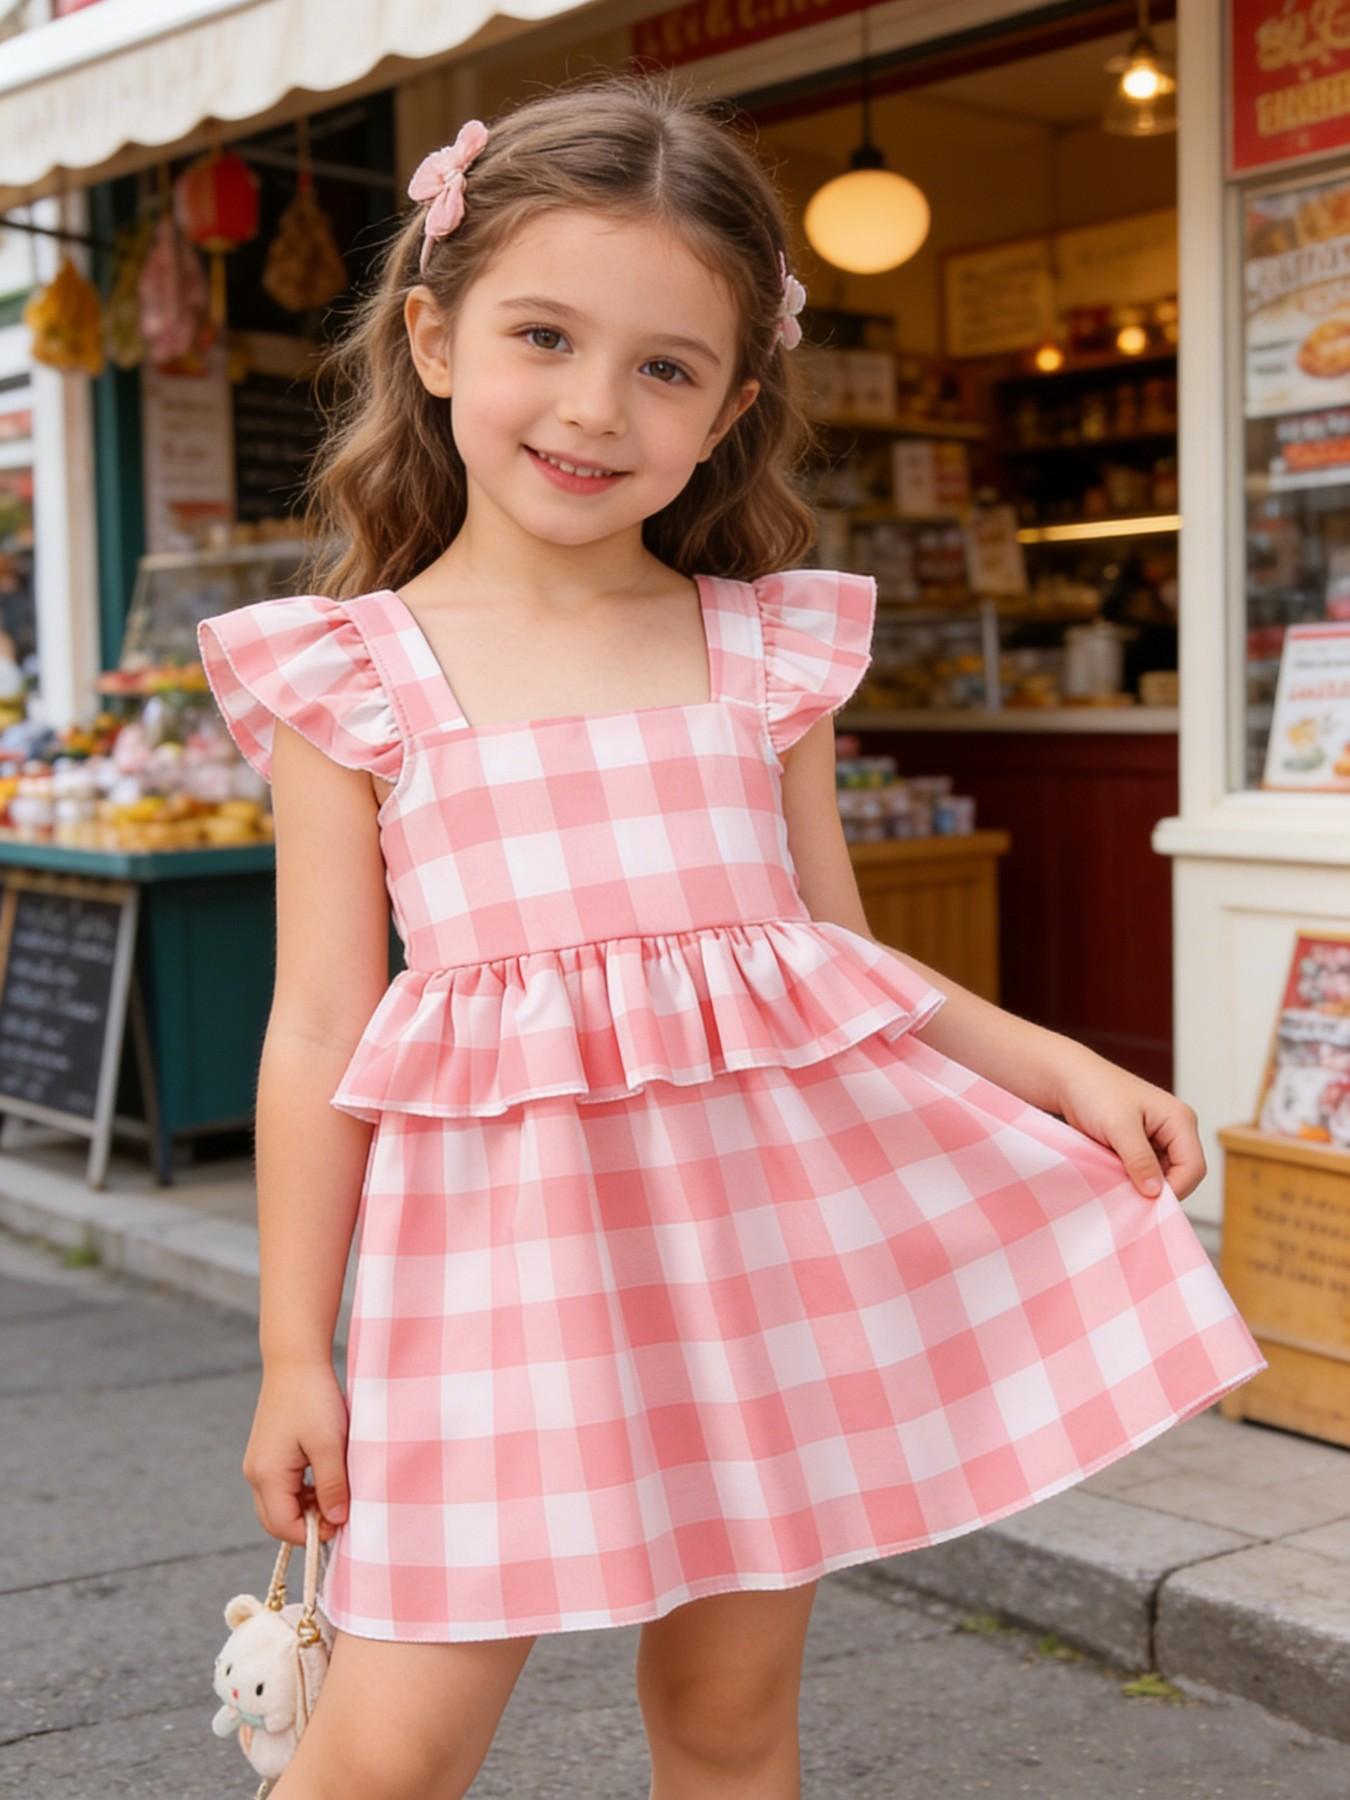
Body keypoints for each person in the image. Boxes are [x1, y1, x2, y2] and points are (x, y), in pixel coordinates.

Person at [196, 70, 1266, 1800]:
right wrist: (289, 1356)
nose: (593, 406)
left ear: (731, 405)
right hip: (489, 1294)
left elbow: (837, 960)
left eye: (665, 367)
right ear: (435, 337)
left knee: (724, 1723)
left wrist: (1057, 1066)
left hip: (750, 1276)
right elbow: (317, 1026)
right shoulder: (349, 676)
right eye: (544, 336)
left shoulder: (761, 654)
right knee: (380, 1765)